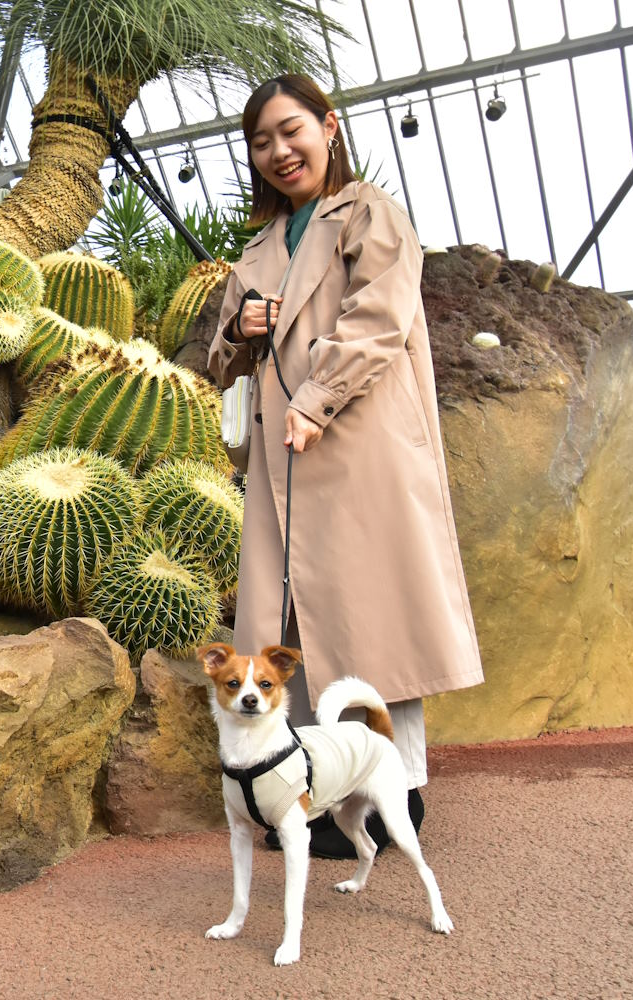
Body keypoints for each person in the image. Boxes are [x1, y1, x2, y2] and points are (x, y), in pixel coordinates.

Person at [207, 74, 484, 858]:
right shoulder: (259, 250)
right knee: (288, 624)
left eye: (290, 130)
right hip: (284, 466)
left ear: (329, 126)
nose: (278, 151)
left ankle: (398, 791)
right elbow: (222, 358)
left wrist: (315, 399)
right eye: (260, 141)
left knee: (369, 617)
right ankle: (319, 796)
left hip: (355, 446)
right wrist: (243, 324)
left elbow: (380, 317)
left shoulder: (368, 213)